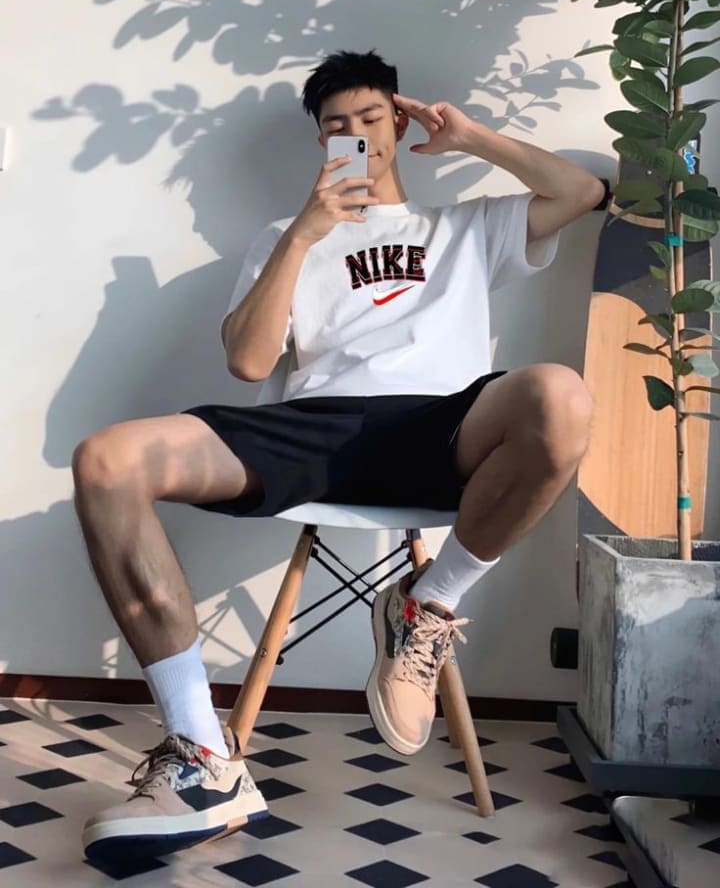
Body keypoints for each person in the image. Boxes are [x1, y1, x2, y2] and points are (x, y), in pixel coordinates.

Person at [73, 50, 601, 864]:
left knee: (561, 396)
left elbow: (582, 192)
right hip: (312, 426)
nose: (356, 134)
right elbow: (249, 363)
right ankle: (203, 757)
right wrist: (304, 234)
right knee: (106, 460)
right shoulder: (287, 237)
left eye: (371, 118)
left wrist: (471, 138)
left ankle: (427, 603)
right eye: (336, 126)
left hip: (441, 425)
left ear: (399, 121)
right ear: (321, 142)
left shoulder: (463, 227)